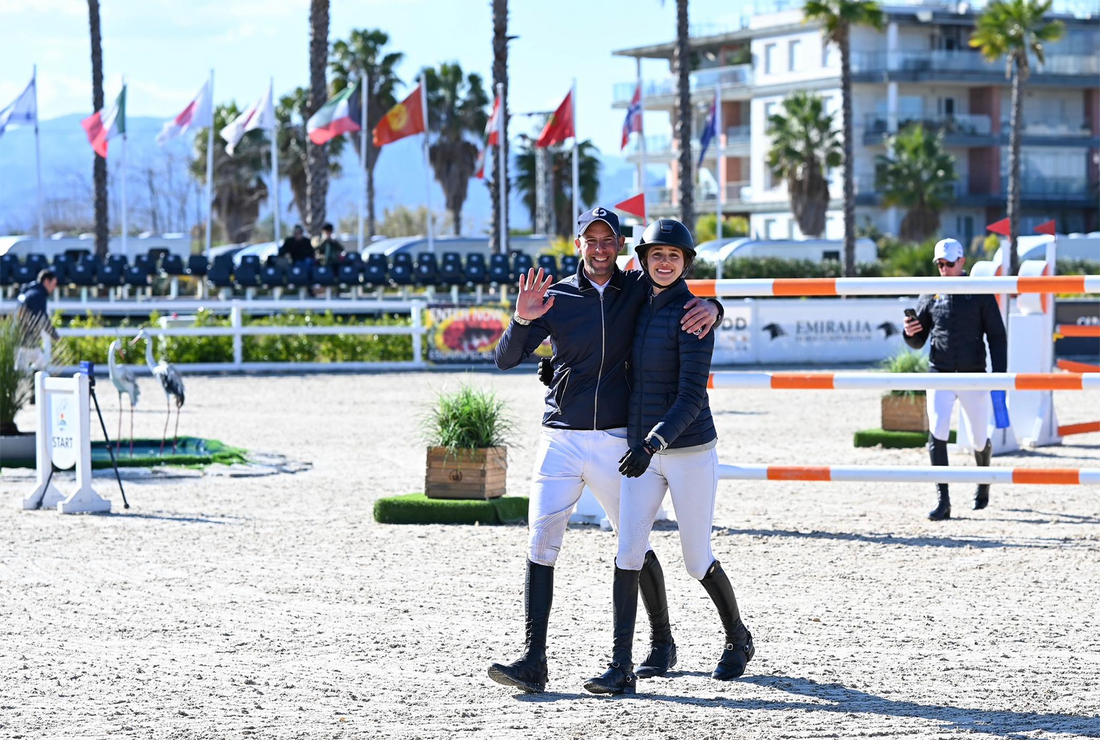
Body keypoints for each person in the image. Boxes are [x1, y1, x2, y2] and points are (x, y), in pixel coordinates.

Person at [487, 207, 723, 694]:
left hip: (617, 440)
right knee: (540, 542)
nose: (599, 248)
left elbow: (677, 293)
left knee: (632, 544)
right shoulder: (553, 297)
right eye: (590, 240)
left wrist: (715, 308)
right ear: (578, 244)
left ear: (619, 247)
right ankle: (533, 659)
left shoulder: (635, 290)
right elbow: (505, 358)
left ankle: (661, 641)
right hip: (560, 437)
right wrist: (519, 318)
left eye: (607, 240)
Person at [582, 219, 753, 696]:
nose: (663, 263)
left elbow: (692, 395)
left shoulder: (694, 315)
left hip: (687, 451)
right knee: (627, 552)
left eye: (674, 257)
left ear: (685, 265)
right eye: (656, 255)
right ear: (642, 258)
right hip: (642, 452)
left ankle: (738, 640)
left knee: (696, 560)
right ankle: (636, 658)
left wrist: (652, 443)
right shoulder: (635, 296)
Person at [903, 237, 1007, 521]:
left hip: (974, 375)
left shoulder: (981, 292)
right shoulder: (930, 293)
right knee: (936, 433)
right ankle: (943, 500)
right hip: (940, 373)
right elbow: (919, 340)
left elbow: (997, 337)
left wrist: (1000, 378)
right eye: (940, 264)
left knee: (978, 439)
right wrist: (910, 332)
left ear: (962, 262)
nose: (944, 269)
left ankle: (983, 484)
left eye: (949, 263)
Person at [16, 269, 61, 372]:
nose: (53, 288)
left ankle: (33, 383)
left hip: (23, 339)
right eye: (53, 284)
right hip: (26, 340)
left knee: (40, 363)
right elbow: (42, 318)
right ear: (46, 281)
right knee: (22, 371)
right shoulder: (38, 295)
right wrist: (54, 335)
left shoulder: (28, 292)